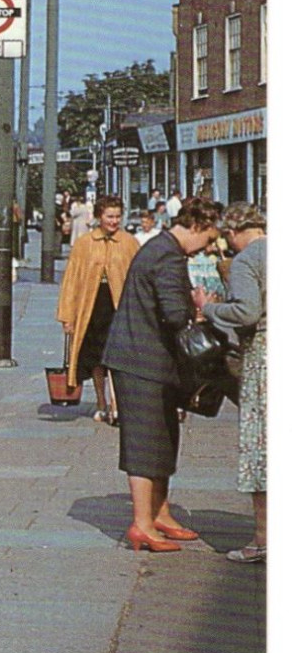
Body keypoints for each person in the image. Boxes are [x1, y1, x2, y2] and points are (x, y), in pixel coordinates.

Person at [100, 196, 224, 552]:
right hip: (140, 361)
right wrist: (201, 310)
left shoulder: (163, 249)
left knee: (163, 437)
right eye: (209, 237)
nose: (208, 247)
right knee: (144, 440)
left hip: (149, 360)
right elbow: (173, 315)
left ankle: (160, 513)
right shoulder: (167, 255)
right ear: (197, 226)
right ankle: (142, 524)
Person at [198, 203, 267, 564]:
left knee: (261, 447)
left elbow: (246, 312)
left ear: (235, 231)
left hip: (265, 359)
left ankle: (262, 538)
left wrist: (209, 309)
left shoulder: (246, 260)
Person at [58, 195, 140, 423]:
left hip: (119, 308)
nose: (114, 221)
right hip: (91, 307)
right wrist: (67, 316)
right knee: (95, 358)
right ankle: (101, 402)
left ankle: (116, 404)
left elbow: (139, 278)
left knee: (116, 357)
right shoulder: (85, 243)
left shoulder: (129, 242)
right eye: (109, 216)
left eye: (117, 216)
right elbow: (72, 278)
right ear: (99, 217)